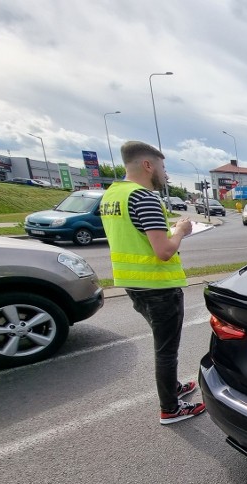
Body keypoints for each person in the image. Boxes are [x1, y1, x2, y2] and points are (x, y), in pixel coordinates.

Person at [100, 141, 206, 425]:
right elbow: (164, 251)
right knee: (166, 350)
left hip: (134, 285)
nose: (165, 174)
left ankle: (171, 389)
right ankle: (170, 408)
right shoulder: (144, 197)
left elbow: (138, 240)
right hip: (158, 288)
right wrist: (181, 231)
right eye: (162, 167)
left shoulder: (112, 196)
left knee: (163, 346)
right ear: (148, 165)